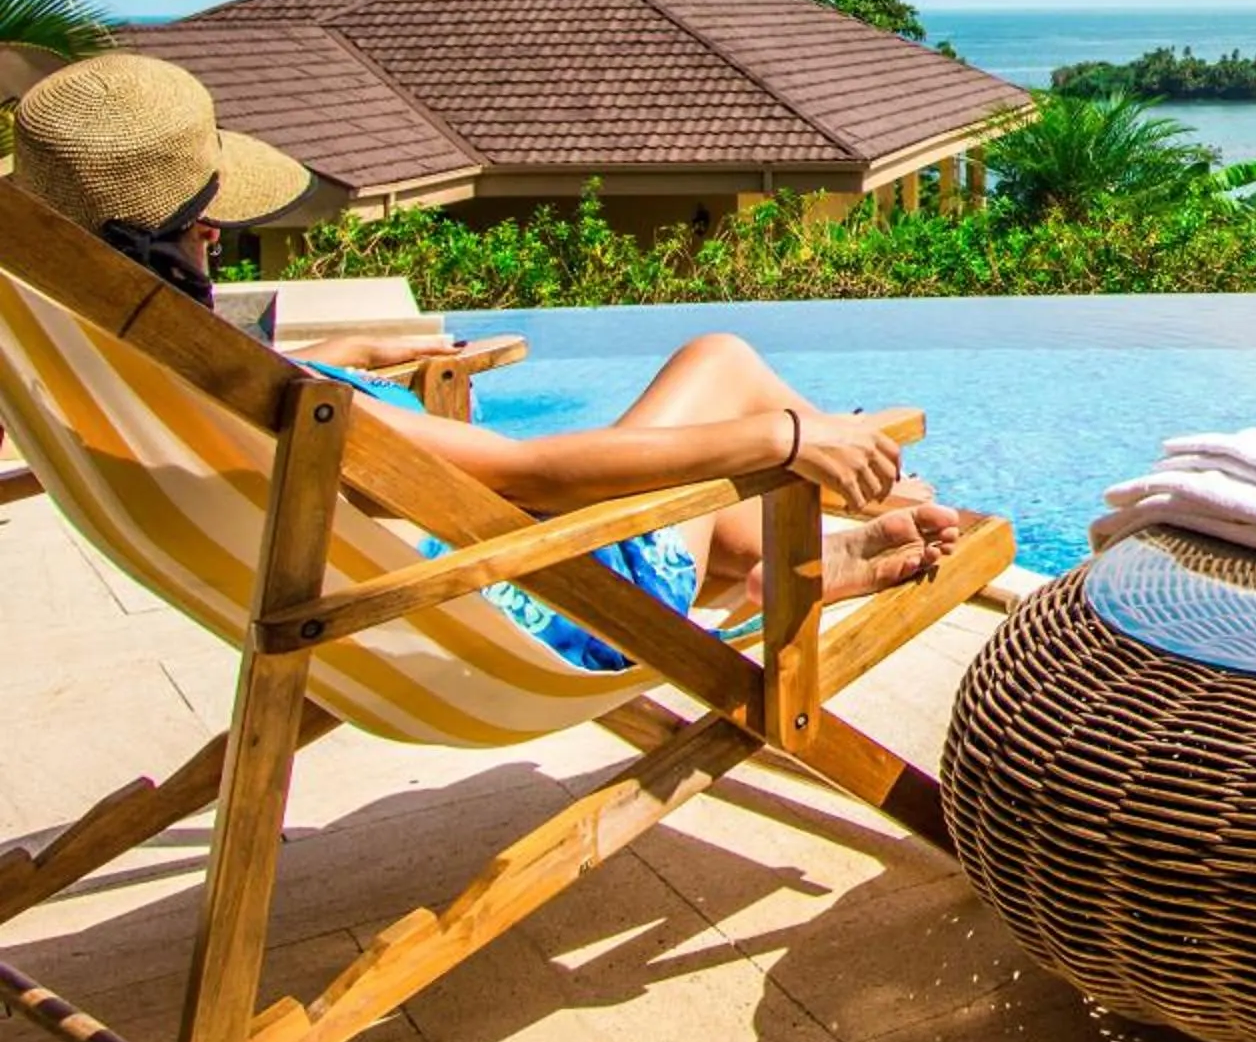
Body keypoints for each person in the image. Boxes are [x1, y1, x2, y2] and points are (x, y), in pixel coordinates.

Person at [7, 53, 971, 667]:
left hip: (395, 609)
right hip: (543, 608)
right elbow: (527, 474)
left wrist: (340, 355)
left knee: (707, 438)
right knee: (719, 364)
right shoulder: (286, 402)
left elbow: (300, 409)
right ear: (206, 227)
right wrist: (787, 435)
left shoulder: (126, 369)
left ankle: (782, 558)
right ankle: (853, 508)